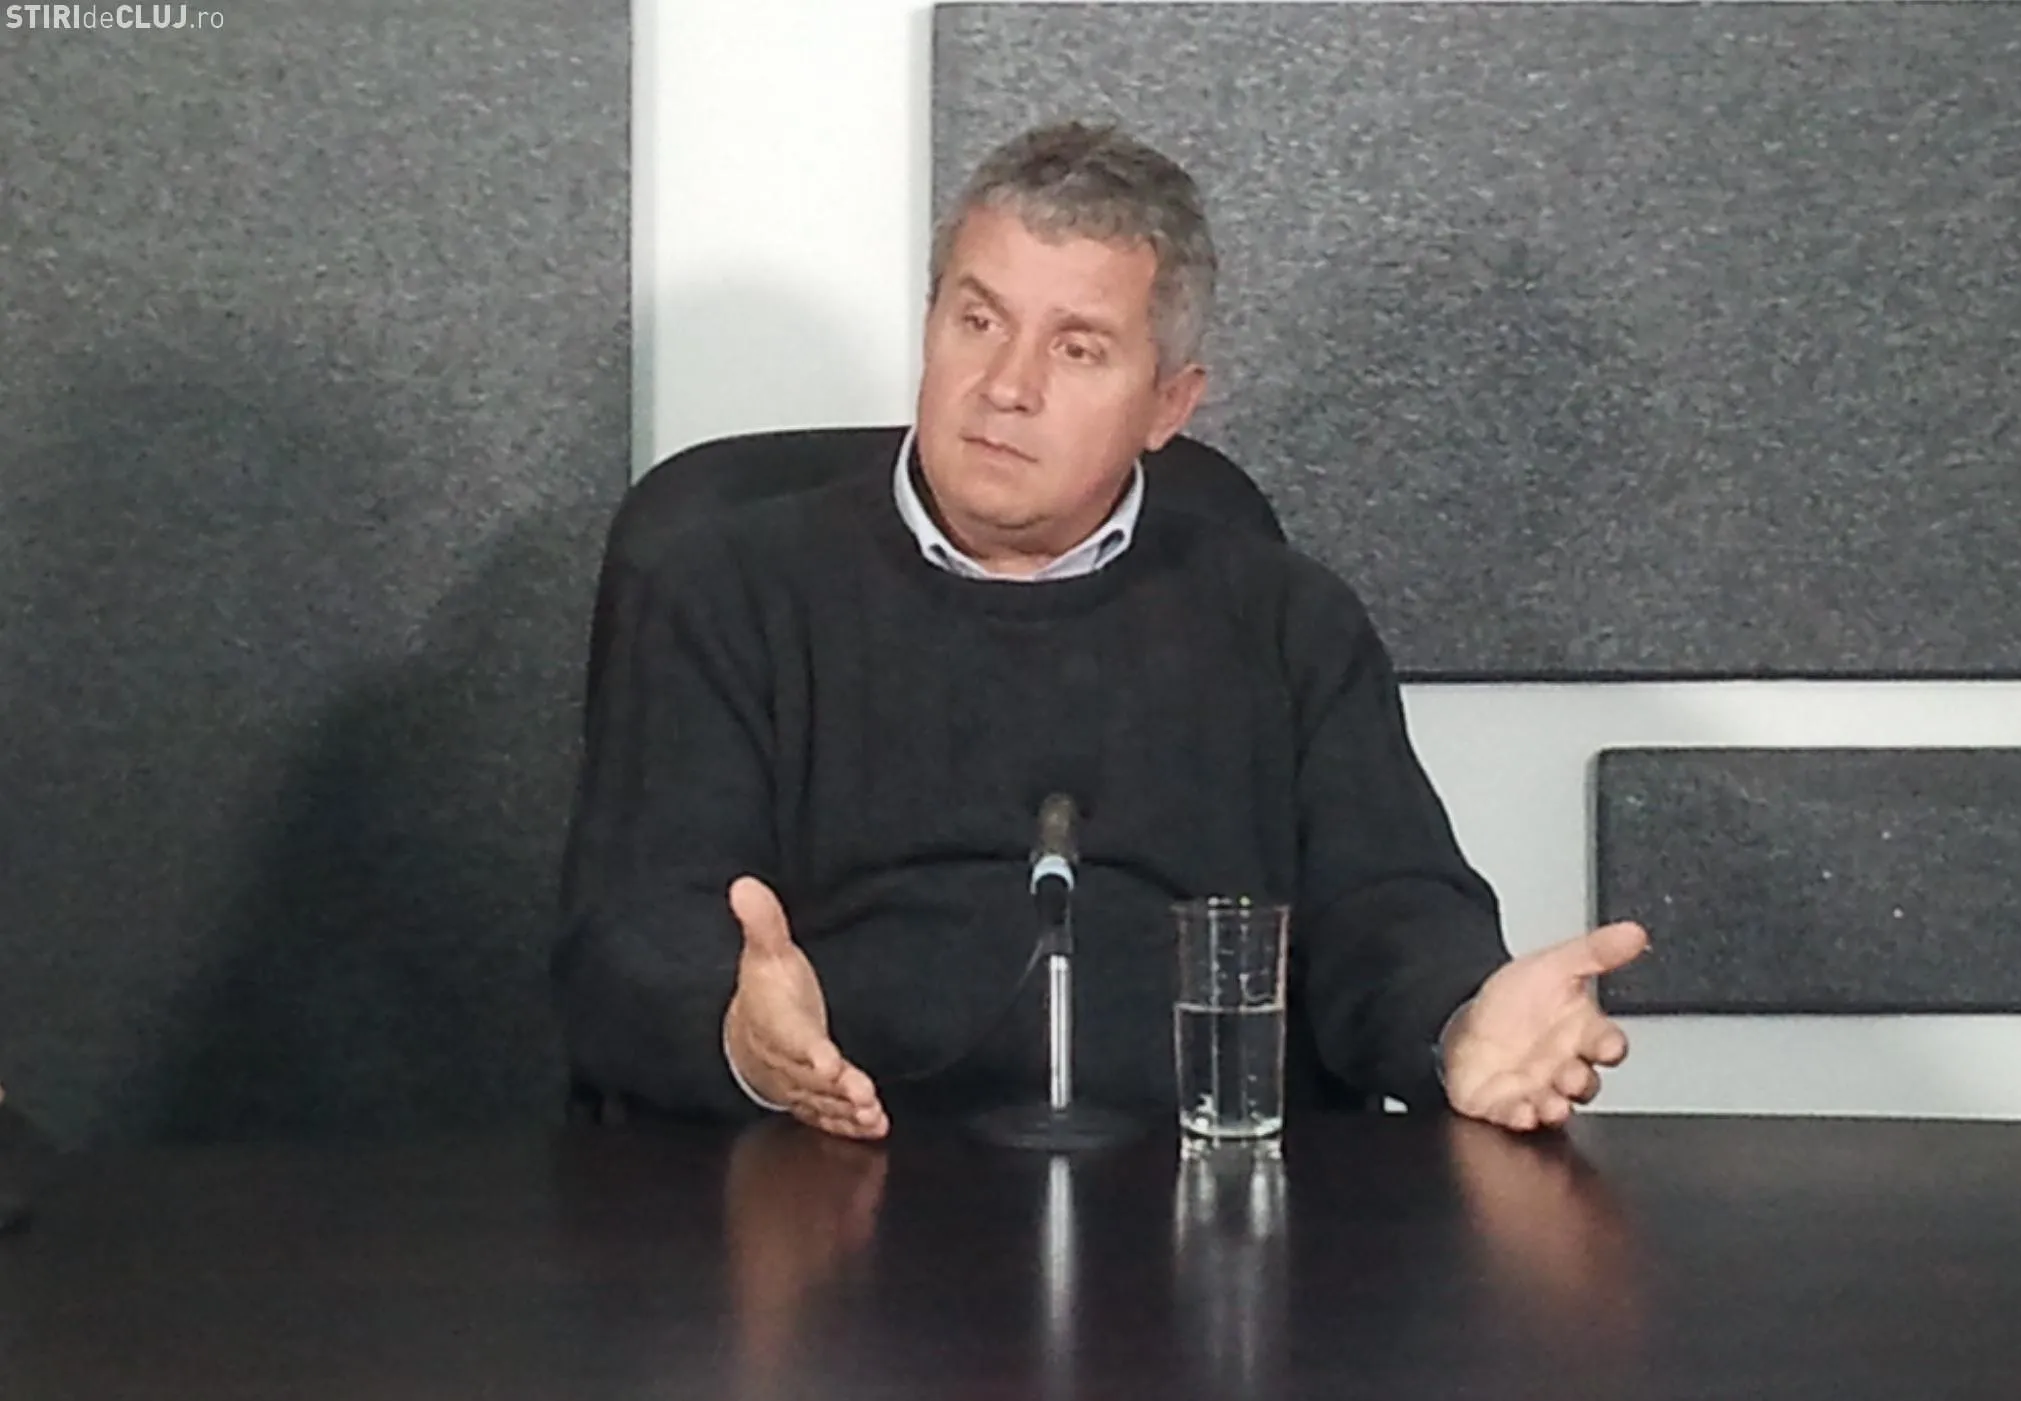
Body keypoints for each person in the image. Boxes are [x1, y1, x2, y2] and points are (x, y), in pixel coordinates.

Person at [555, 121, 1647, 1142]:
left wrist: (1457, 1024)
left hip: (1205, 1200)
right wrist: (741, 1040)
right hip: (835, 1186)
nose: (1005, 387)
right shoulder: (726, 590)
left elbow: (1387, 911)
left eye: (1076, 350)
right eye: (978, 322)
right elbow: (633, 936)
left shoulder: (1285, 622)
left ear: (1169, 405)